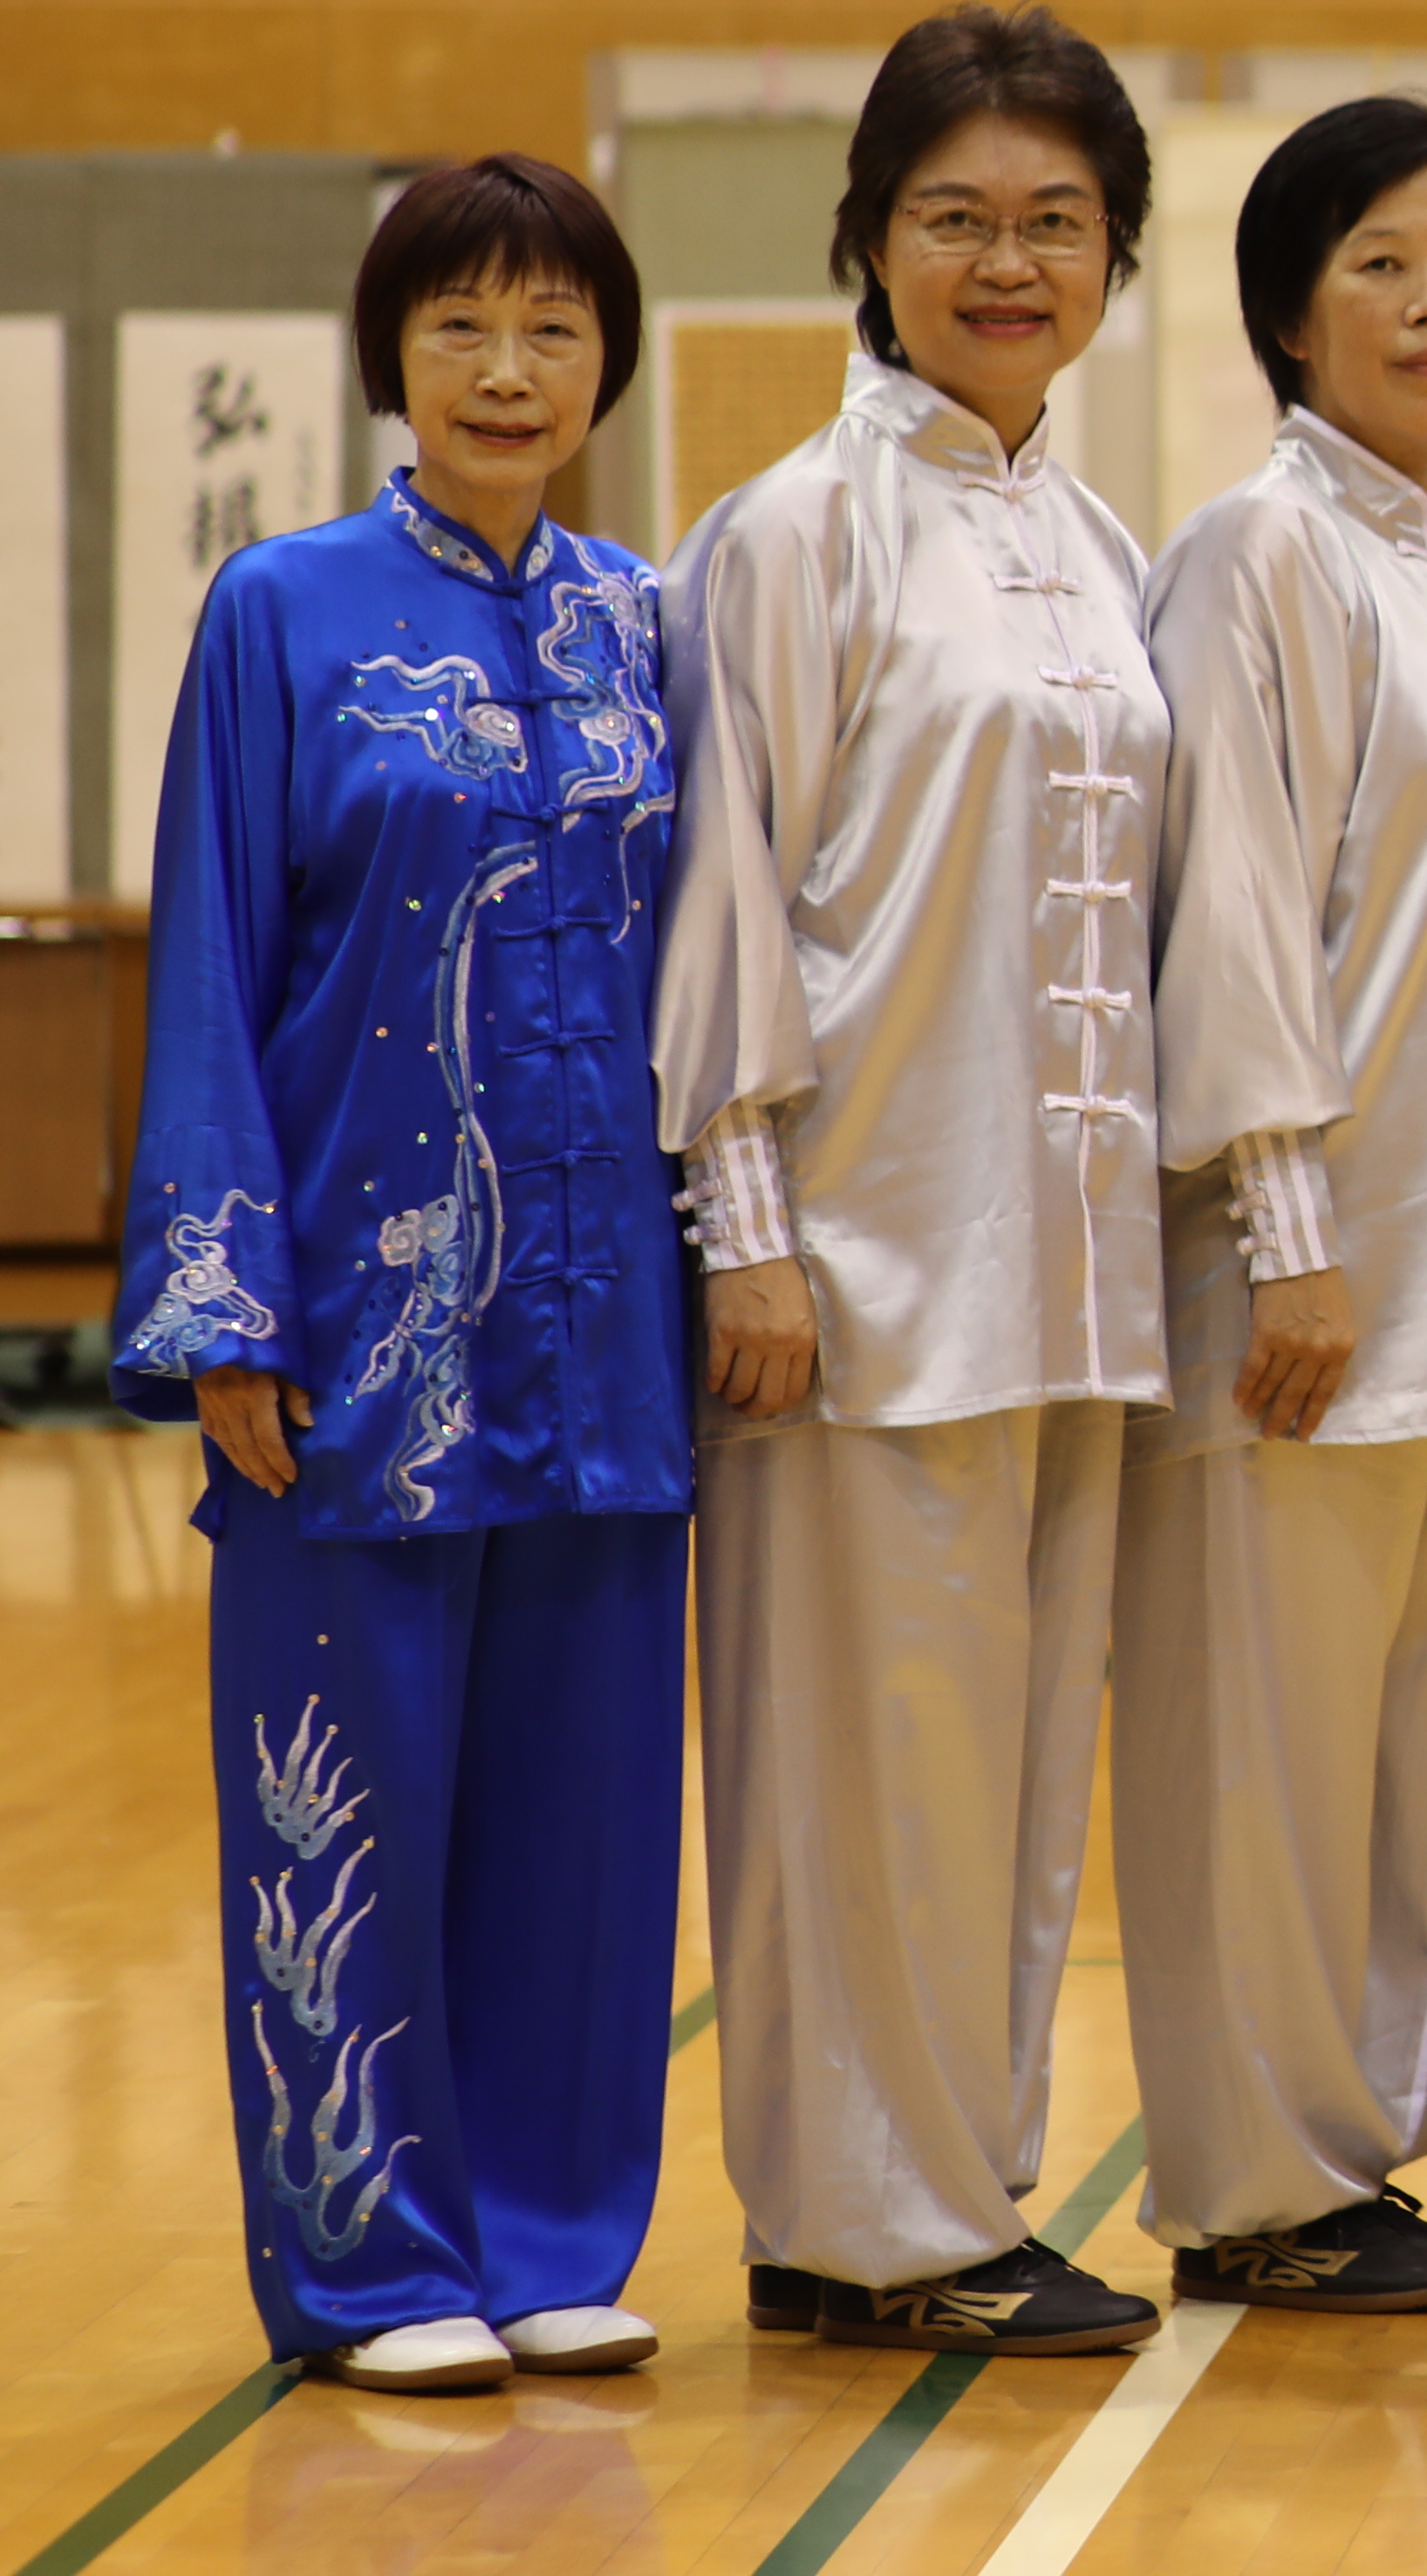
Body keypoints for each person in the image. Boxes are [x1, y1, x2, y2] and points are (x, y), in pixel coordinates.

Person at [120, 159, 688, 2396]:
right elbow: (214, 958)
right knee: (339, 1795)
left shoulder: (648, 621)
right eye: (461, 325)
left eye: (553, 325)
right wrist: (224, 1301)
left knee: (585, 1813)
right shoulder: (282, 608)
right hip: (363, 1330)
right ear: (393, 355)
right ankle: (372, 2261)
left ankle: (554, 2232)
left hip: (612, 1332)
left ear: (604, 361)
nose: (510, 369)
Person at [662, 8, 1175, 2356]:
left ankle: (968, 2187)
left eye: (1055, 220)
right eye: (957, 215)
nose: (1007, 258)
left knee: (1005, 1759)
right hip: (859, 1254)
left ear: (1116, 259)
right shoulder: (792, 530)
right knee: (857, 1757)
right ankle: (858, 2224)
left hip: (1072, 1269)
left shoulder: (1091, 536)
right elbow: (727, 901)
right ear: (865, 239)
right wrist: (747, 1229)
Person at [1115, 100, 1427, 2318]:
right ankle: (1247, 2175)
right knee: (1270, 1748)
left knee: (1407, 1745)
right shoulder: (1257, 550)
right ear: (1294, 302)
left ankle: (1351, 2158)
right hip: (1310, 1263)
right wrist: (1287, 1217)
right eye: (1388, 264)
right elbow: (1230, 916)